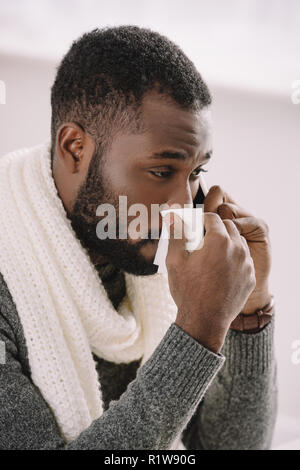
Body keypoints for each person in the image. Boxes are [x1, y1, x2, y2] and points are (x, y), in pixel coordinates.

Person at [0, 25, 277, 450]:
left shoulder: (143, 265)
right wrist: (196, 332)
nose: (182, 206)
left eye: (196, 172)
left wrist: (247, 313)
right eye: (162, 172)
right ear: (75, 148)